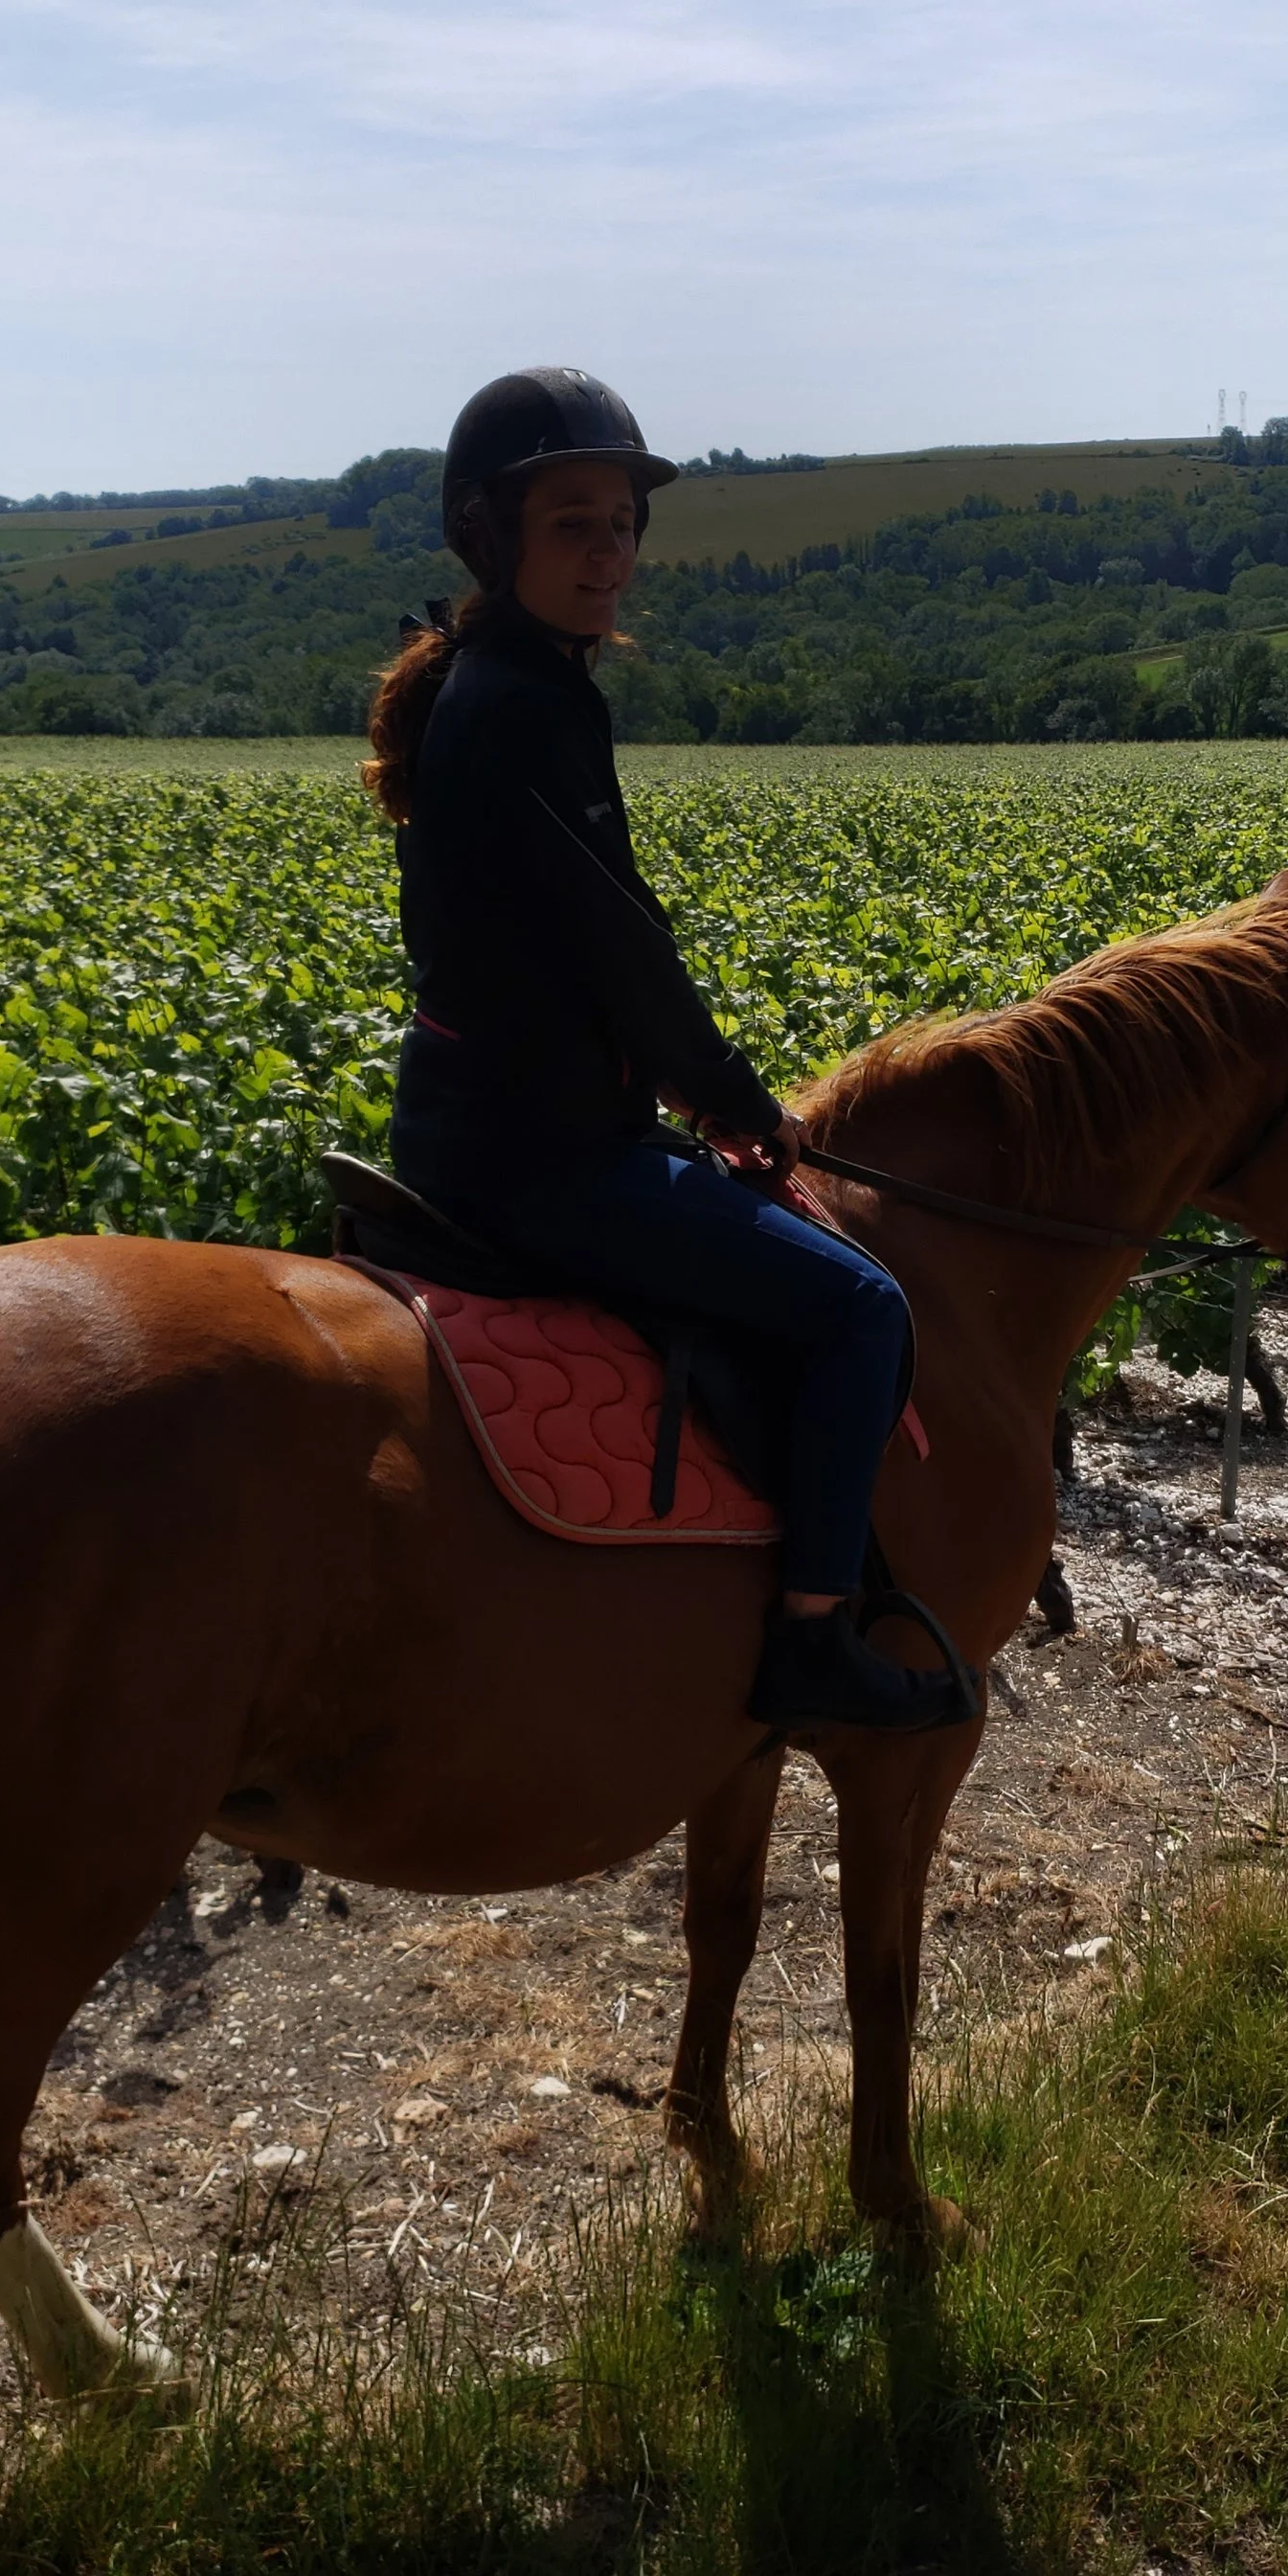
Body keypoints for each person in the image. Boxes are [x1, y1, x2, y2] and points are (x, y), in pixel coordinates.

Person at [364, 365, 970, 1733]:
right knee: (864, 1307)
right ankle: (813, 1634)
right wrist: (738, 1103)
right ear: (489, 537)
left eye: (623, 523)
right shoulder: (524, 702)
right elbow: (620, 945)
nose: (609, 553)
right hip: (540, 1154)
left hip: (490, 1123)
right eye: (574, 522)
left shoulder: (504, 683)